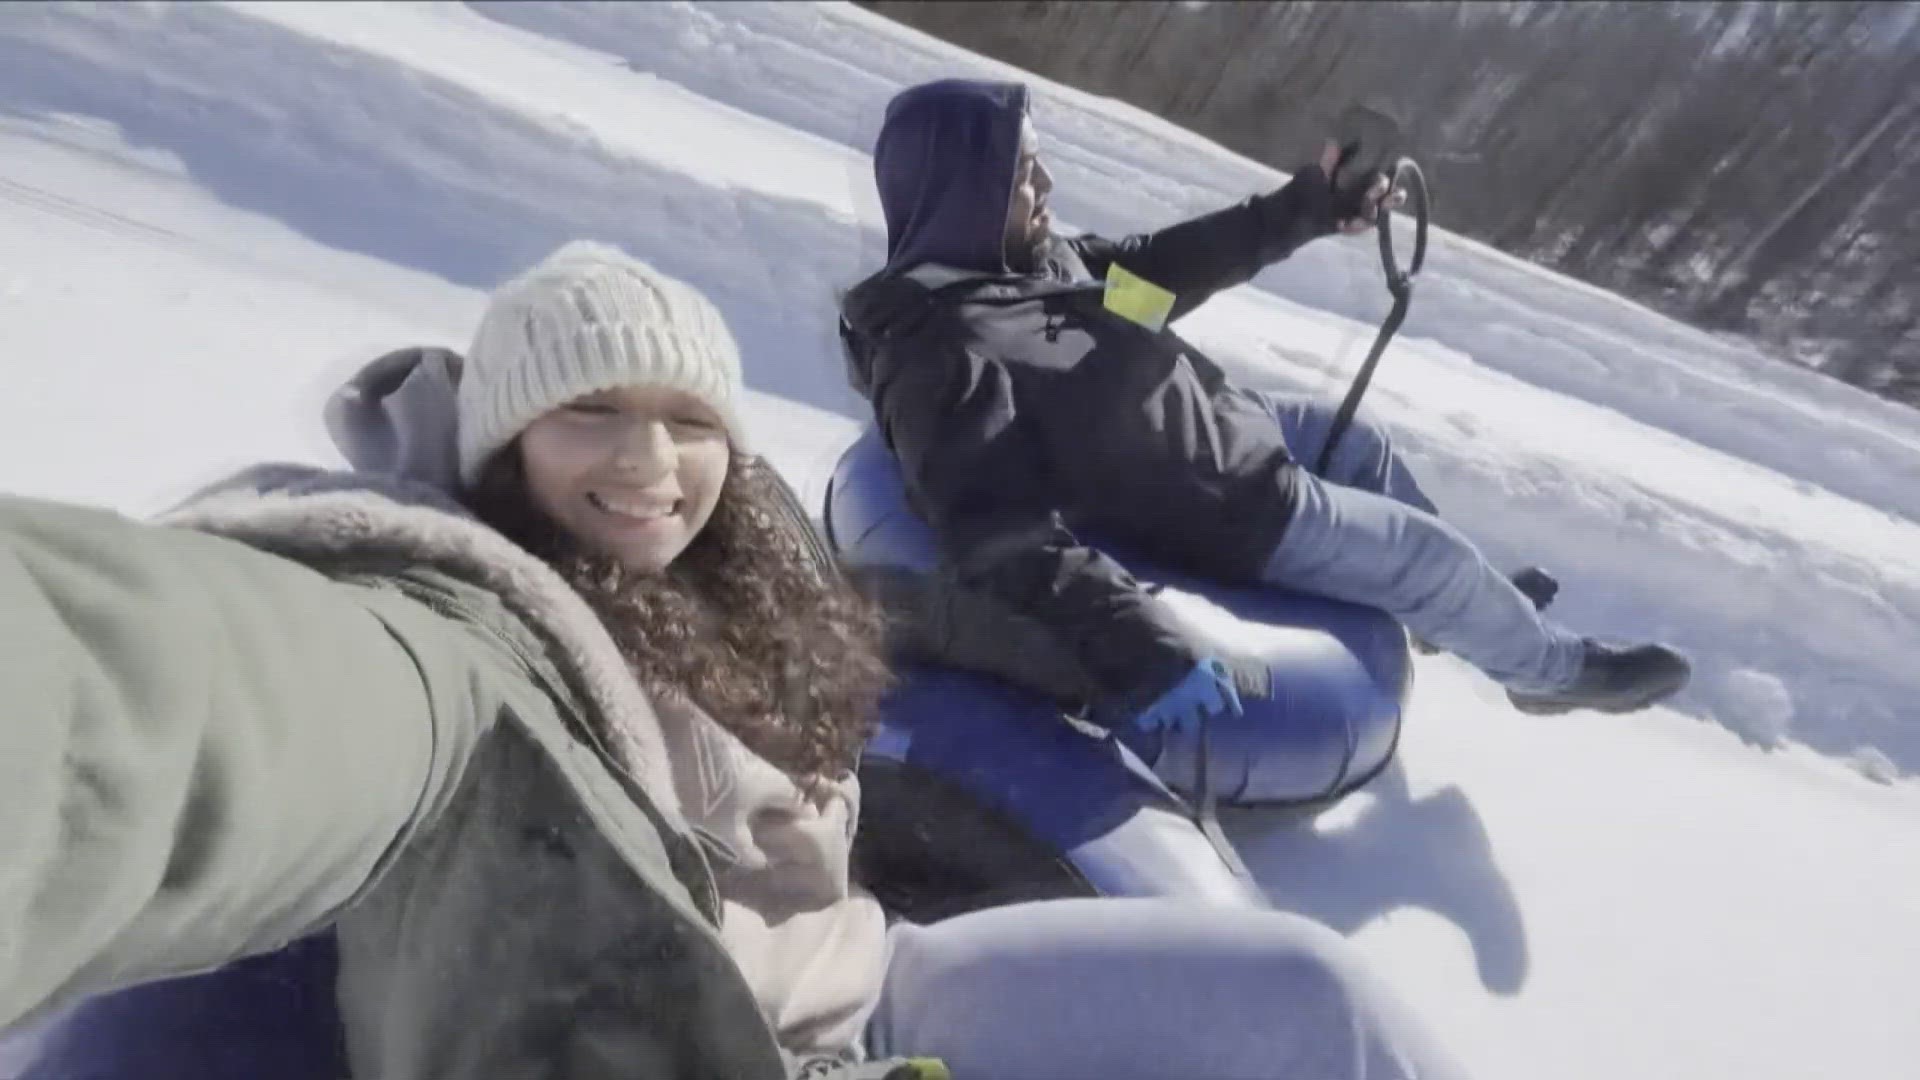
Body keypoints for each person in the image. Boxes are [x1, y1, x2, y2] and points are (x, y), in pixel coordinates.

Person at [1, 241, 1472, 1079]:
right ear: (502, 437)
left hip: (872, 978)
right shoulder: (453, 613)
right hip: (710, 1037)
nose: (652, 465)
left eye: (689, 419)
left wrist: (1106, 645)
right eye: (591, 415)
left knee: (1312, 1001)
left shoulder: (746, 569)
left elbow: (910, 619)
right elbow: (238, 690)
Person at [837, 78, 1691, 733]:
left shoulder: (1024, 267)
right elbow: (998, 537)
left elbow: (1156, 275)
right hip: (1233, 507)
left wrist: (1309, 205)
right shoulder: (948, 354)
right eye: (1026, 172)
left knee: (1361, 445)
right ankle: (1547, 673)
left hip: (1227, 431)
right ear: (965, 189)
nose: (1048, 181)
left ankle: (1468, 615)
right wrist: (1144, 647)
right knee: (1428, 559)